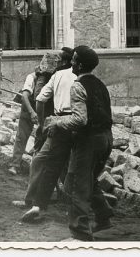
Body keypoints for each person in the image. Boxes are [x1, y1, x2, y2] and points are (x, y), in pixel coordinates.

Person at [45, 45, 114, 242]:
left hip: (88, 141)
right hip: (106, 138)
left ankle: (80, 233)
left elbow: (79, 120)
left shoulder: (77, 86)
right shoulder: (100, 85)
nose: (71, 63)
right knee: (90, 179)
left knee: (76, 184)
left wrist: (56, 122)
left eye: (74, 60)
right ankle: (103, 216)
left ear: (80, 64)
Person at [16, 47, 77, 222]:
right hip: (69, 123)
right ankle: (57, 201)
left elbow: (39, 99)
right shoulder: (77, 77)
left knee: (44, 161)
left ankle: (36, 203)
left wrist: (43, 124)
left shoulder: (55, 76)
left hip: (56, 124)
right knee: (63, 163)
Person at [8, 53, 58, 175]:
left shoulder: (55, 77)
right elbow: (24, 96)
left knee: (43, 137)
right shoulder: (32, 77)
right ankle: (15, 164)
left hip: (45, 110)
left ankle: (39, 167)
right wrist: (32, 113)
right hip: (28, 108)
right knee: (21, 137)